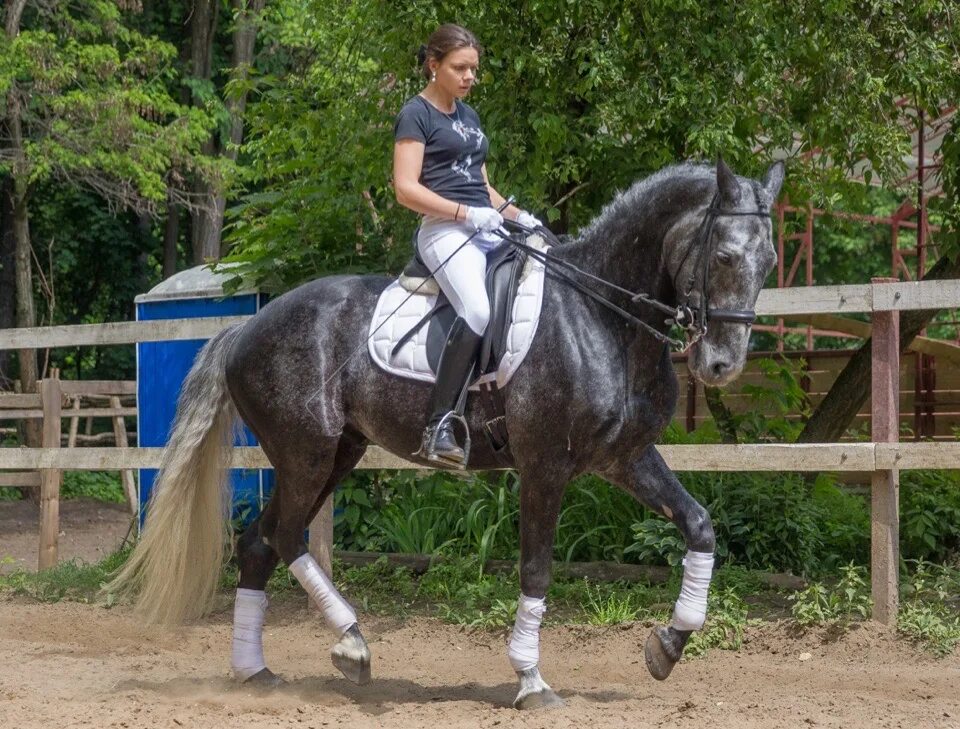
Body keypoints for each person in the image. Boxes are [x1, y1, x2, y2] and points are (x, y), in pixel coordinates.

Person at [393, 23, 540, 467]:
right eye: (460, 68)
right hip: (444, 231)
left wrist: (517, 215)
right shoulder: (415, 114)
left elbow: (482, 187)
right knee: (476, 309)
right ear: (433, 65)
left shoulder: (469, 118)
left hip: (486, 227)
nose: (469, 77)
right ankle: (437, 424)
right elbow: (404, 188)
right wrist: (463, 213)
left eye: (474, 69)